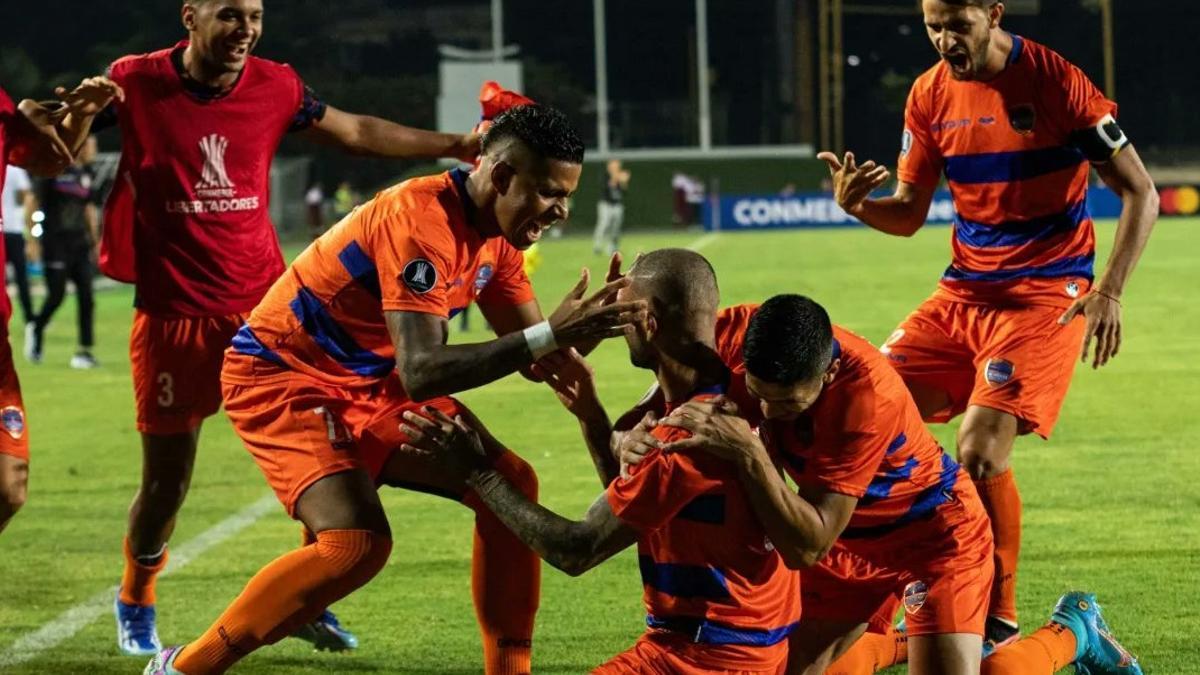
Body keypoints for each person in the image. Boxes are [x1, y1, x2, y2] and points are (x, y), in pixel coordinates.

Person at [143, 104, 648, 675]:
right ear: (502, 176)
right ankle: (183, 667)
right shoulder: (421, 219)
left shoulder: (498, 238)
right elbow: (424, 371)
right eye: (548, 192)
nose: (559, 211)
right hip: (284, 374)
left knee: (510, 485)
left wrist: (590, 327)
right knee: (354, 545)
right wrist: (548, 335)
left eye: (566, 196)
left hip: (369, 378)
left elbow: (535, 356)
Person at [72, 0, 486, 656]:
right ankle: (137, 594)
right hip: (174, 317)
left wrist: (455, 146)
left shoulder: (276, 85)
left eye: (255, 16)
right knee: (167, 480)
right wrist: (66, 115)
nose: (245, 29)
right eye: (230, 15)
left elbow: (354, 131)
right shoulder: (135, 80)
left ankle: (308, 597)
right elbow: (59, 145)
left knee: (339, 454)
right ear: (191, 16)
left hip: (273, 318)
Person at [816, 0, 1159, 656]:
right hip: (962, 293)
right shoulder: (928, 94)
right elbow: (910, 214)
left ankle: (996, 614)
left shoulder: (1058, 83)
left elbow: (1140, 190)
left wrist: (1109, 290)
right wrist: (859, 207)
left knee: (979, 450)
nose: (945, 39)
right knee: (860, 413)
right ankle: (887, 591)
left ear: (993, 13)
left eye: (957, 24)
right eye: (933, 26)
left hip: (1044, 297)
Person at [400, 248, 801, 674]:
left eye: (622, 309)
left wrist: (477, 472)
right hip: (748, 649)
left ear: (648, 320)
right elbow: (637, 508)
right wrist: (592, 416)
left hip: (702, 658)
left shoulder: (683, 437)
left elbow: (578, 549)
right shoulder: (730, 400)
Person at [0, 81, 117, 535]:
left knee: (9, 487)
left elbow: (51, 161)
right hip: (50, 246)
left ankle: (69, 342)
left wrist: (79, 116)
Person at [27, 135, 101, 368]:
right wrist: (32, 240)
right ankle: (37, 328)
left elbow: (89, 209)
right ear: (79, 146)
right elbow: (33, 202)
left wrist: (96, 241)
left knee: (87, 297)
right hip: (55, 243)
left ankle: (83, 352)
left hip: (80, 245)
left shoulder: (86, 175)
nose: (93, 150)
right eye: (90, 145)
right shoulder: (55, 170)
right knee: (56, 296)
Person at [2, 164, 35, 327]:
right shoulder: (15, 169)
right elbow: (24, 196)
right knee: (21, 278)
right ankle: (29, 318)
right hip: (14, 229)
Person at [592, 158, 630, 256]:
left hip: (617, 204)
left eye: (617, 166)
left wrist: (624, 182)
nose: (616, 167)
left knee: (616, 227)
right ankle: (597, 246)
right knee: (603, 225)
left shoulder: (621, 176)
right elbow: (605, 188)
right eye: (614, 165)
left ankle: (613, 247)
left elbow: (624, 192)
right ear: (609, 166)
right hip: (606, 204)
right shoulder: (605, 175)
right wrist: (616, 177)